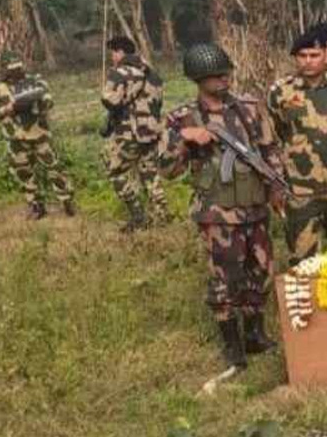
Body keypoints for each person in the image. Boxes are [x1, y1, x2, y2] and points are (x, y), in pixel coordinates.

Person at [159, 43, 282, 374]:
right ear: (199, 79)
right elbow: (167, 170)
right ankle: (232, 346)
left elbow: (269, 151)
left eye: (226, 72)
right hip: (217, 214)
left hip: (254, 207)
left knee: (262, 271)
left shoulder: (250, 108)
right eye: (215, 76)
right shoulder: (182, 117)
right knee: (225, 279)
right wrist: (185, 138)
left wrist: (275, 186)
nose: (224, 79)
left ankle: (256, 334)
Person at [267, 30, 327, 266]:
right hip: (300, 189)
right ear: (295, 58)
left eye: (314, 55)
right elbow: (273, 138)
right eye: (302, 55)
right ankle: (308, 301)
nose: (308, 61)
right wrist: (276, 184)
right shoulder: (281, 93)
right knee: (303, 258)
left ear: (326, 56)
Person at [0, 51, 76, 220]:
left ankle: (67, 201)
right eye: (10, 68)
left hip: (40, 135)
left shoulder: (36, 81)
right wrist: (8, 109)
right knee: (24, 172)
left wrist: (32, 102)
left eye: (17, 67)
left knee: (54, 169)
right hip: (16, 138)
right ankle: (36, 206)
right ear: (4, 68)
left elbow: (48, 101)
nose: (15, 71)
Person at [101, 36, 167, 231]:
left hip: (129, 133)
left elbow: (109, 100)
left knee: (115, 172)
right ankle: (162, 215)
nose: (112, 57)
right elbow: (158, 102)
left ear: (120, 52)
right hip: (152, 131)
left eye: (113, 52)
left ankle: (137, 215)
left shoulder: (120, 72)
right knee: (150, 174)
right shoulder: (152, 73)